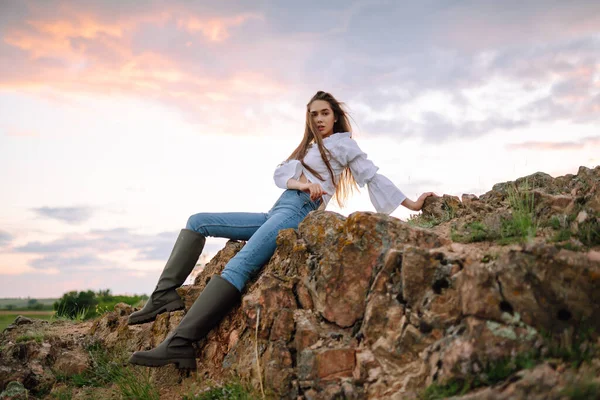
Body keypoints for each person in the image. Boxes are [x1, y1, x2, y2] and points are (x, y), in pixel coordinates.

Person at [128, 91, 435, 369]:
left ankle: (180, 344)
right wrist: (302, 181)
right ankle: (163, 296)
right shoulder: (310, 146)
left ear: (335, 116)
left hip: (298, 210)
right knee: (198, 220)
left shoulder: (343, 144)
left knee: (240, 265)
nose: (319, 119)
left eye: (324, 113)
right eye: (313, 114)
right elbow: (280, 174)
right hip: (278, 208)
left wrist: (412, 204)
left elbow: (372, 176)